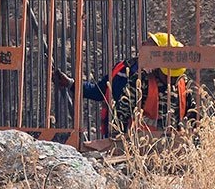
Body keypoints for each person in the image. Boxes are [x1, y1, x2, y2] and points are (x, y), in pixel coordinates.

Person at [55, 32, 197, 138]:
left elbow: (194, 117)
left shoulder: (181, 84)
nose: (142, 43)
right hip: (135, 144)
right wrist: (71, 84)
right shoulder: (124, 69)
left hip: (169, 149)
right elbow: (100, 92)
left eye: (148, 43)